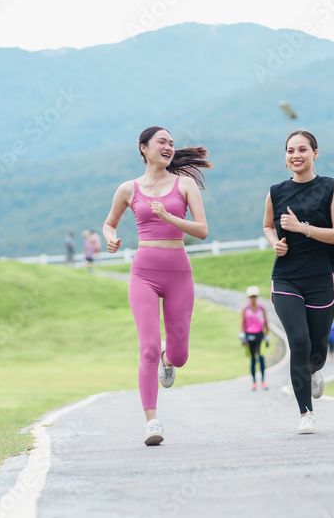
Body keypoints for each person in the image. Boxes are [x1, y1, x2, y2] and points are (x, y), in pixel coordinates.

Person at [102, 126, 211, 446]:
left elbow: (202, 230)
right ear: (143, 148)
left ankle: (168, 358)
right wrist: (111, 239)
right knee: (147, 347)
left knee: (179, 356)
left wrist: (169, 217)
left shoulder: (185, 185)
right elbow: (109, 223)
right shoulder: (128, 189)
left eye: (172, 144)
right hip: (143, 275)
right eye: (162, 142)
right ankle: (152, 421)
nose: (168, 147)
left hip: (179, 274)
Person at [262, 129, 334, 435]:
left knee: (316, 352)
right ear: (285, 158)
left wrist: (303, 228)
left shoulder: (330, 188)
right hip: (286, 277)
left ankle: (312, 370)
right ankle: (305, 413)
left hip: (321, 277)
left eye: (302, 149)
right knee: (297, 340)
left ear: (315, 154)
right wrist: (275, 242)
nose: (295, 155)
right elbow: (267, 226)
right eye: (289, 150)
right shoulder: (276, 191)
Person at [240, 286, 270, 390]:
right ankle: (254, 382)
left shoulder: (262, 308)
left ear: (257, 297)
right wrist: (242, 336)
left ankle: (263, 381)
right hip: (249, 336)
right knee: (253, 360)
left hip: (260, 336)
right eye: (251, 296)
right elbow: (242, 323)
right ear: (249, 297)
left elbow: (266, 323)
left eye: (255, 296)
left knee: (261, 358)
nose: (253, 298)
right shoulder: (245, 309)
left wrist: (267, 335)